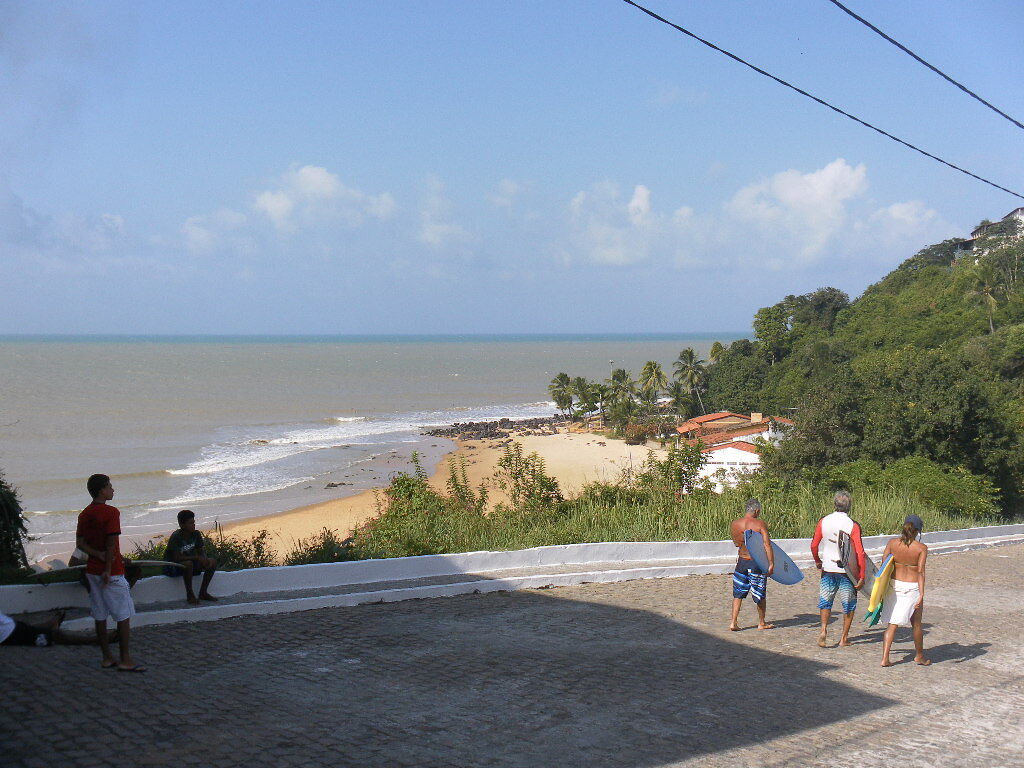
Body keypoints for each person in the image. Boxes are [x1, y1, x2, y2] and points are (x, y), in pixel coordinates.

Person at [75, 474, 146, 672]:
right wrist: (108, 566)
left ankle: (106, 657)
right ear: (102, 491)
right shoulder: (111, 512)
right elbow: (111, 541)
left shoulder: (84, 514)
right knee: (123, 615)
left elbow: (80, 543)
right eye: (110, 487)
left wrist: (98, 555)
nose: (113, 490)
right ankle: (125, 659)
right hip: (111, 572)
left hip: (92, 570)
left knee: (100, 614)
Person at [811, 490, 866, 648]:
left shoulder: (824, 521)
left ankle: (823, 629)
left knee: (825, 601)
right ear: (850, 506)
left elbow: (814, 545)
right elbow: (859, 552)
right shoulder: (852, 525)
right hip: (846, 572)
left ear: (835, 504)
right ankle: (843, 638)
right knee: (848, 605)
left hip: (828, 568)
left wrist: (818, 561)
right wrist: (861, 575)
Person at [880, 515, 931, 667]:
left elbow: (884, 565)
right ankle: (919, 656)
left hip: (894, 585)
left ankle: (885, 658)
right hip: (912, 587)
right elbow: (920, 572)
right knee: (916, 624)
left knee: (892, 624)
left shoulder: (892, 543)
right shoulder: (921, 548)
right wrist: (921, 594)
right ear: (917, 531)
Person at [728, 498, 775, 631]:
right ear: (757, 510)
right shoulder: (760, 524)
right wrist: (771, 563)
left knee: (738, 593)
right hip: (756, 563)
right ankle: (761, 622)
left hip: (741, 561)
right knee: (759, 593)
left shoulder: (735, 524)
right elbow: (767, 544)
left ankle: (733, 622)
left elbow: (737, 543)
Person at [164, 509, 218, 605]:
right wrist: (197, 558)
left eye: (193, 522)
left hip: (192, 564)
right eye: (190, 523)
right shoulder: (176, 537)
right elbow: (176, 558)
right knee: (188, 564)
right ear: (182, 525)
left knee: (212, 561)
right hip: (173, 567)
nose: (193, 525)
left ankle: (203, 592)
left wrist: (204, 559)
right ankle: (190, 595)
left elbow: (200, 551)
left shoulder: (196, 534)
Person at [1, 610, 117, 647]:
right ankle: (97, 639)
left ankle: (50, 624)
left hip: (9, 628)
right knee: (57, 636)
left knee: (26, 629)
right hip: (7, 632)